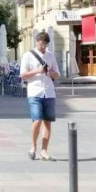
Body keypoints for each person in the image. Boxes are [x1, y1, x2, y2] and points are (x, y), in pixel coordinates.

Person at [20, 31, 60, 161]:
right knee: (37, 120)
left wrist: (50, 71)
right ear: (36, 42)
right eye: (41, 43)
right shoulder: (28, 56)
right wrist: (38, 71)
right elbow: (23, 74)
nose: (43, 46)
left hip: (48, 91)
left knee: (47, 122)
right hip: (34, 91)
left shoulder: (50, 56)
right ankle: (33, 147)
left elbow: (57, 74)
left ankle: (44, 151)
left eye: (45, 44)